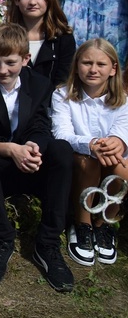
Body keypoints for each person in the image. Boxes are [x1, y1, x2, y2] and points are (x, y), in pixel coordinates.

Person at [0, 24, 75, 290]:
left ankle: (47, 243)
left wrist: (32, 147)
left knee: (61, 149)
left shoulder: (39, 83)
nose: (2, 70)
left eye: (10, 63)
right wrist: (12, 149)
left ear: (25, 60)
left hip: (28, 162)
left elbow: (40, 125)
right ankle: (2, 238)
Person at [52, 38, 128, 267]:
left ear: (113, 69)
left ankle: (103, 224)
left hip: (111, 158)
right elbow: (61, 133)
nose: (93, 69)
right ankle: (82, 223)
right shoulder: (62, 95)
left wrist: (117, 142)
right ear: (76, 65)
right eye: (86, 63)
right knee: (89, 163)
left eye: (101, 64)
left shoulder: (123, 100)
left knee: (123, 169)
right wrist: (91, 144)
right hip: (82, 157)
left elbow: (122, 130)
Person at [6, 0, 75, 87]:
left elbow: (63, 81)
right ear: (16, 0)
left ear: (49, 0)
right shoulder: (4, 36)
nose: (33, 2)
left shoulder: (63, 38)